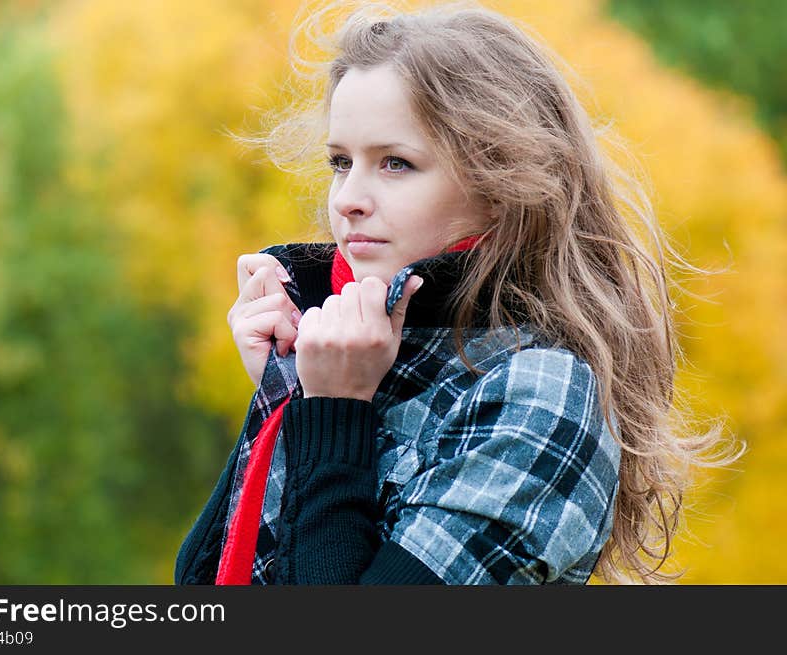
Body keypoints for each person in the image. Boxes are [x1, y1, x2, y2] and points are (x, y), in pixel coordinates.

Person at [175, 1, 740, 585]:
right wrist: (287, 390)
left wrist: (332, 410)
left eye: (395, 163)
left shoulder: (540, 395)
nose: (347, 198)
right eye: (341, 162)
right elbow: (202, 582)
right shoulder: (368, 351)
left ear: (501, 183)